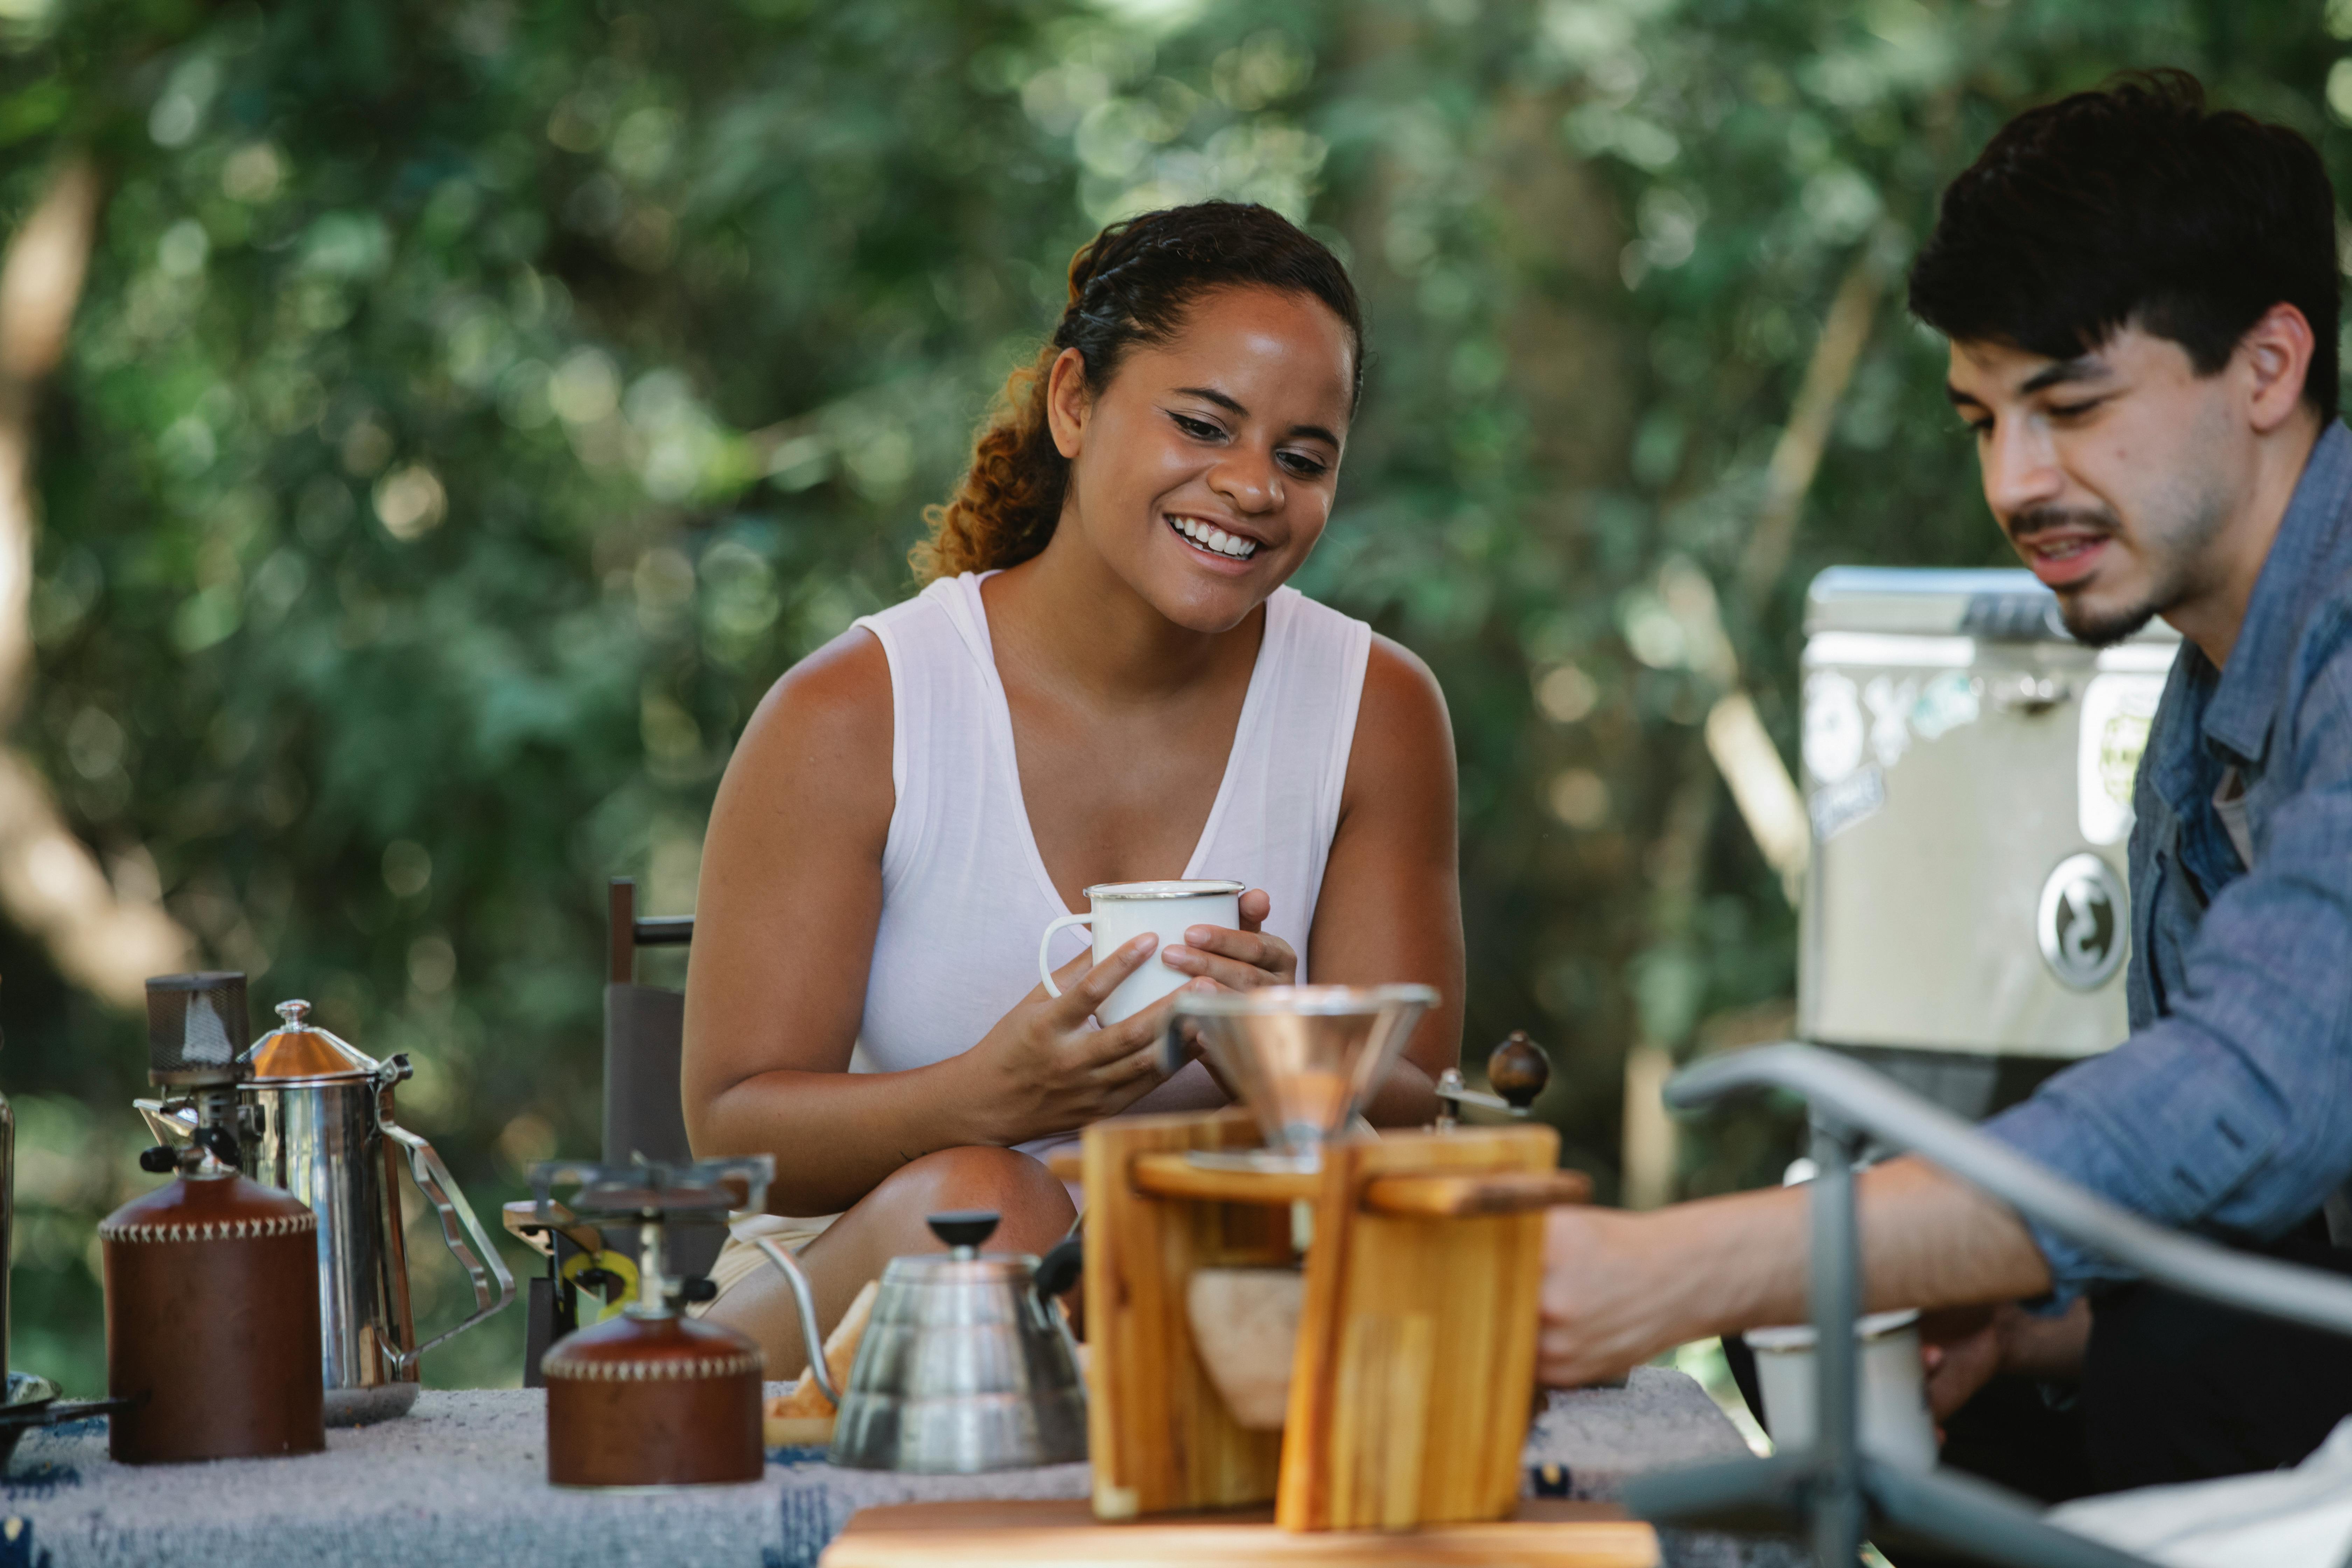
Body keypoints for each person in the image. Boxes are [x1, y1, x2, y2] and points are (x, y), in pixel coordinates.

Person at [1536, 70, 2352, 1495]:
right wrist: (2028, 1335)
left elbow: (2260, 1095)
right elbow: (2248, 1228)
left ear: (2270, 368)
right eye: (1983, 421)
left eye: (2073, 406)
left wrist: (1676, 1267)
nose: (2018, 482)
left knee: (2140, 1377)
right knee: (1903, 1354)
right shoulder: (2205, 702)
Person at [680, 201, 1463, 1374]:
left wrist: (1284, 1052)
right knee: (993, 1208)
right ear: (1073, 404)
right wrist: (983, 1099)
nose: (1254, 487)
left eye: (1304, 458)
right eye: (1205, 425)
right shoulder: (856, 712)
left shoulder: (1375, 710)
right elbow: (732, 1135)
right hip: (873, 1292)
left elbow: (1425, 1116)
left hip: (1212, 1297)